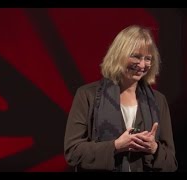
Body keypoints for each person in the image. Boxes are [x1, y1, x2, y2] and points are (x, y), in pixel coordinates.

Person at [64, 25, 178, 172]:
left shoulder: (158, 101)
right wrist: (116, 146)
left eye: (148, 58)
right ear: (119, 55)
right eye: (136, 56)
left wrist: (154, 148)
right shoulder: (88, 95)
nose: (142, 65)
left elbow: (171, 162)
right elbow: (73, 152)